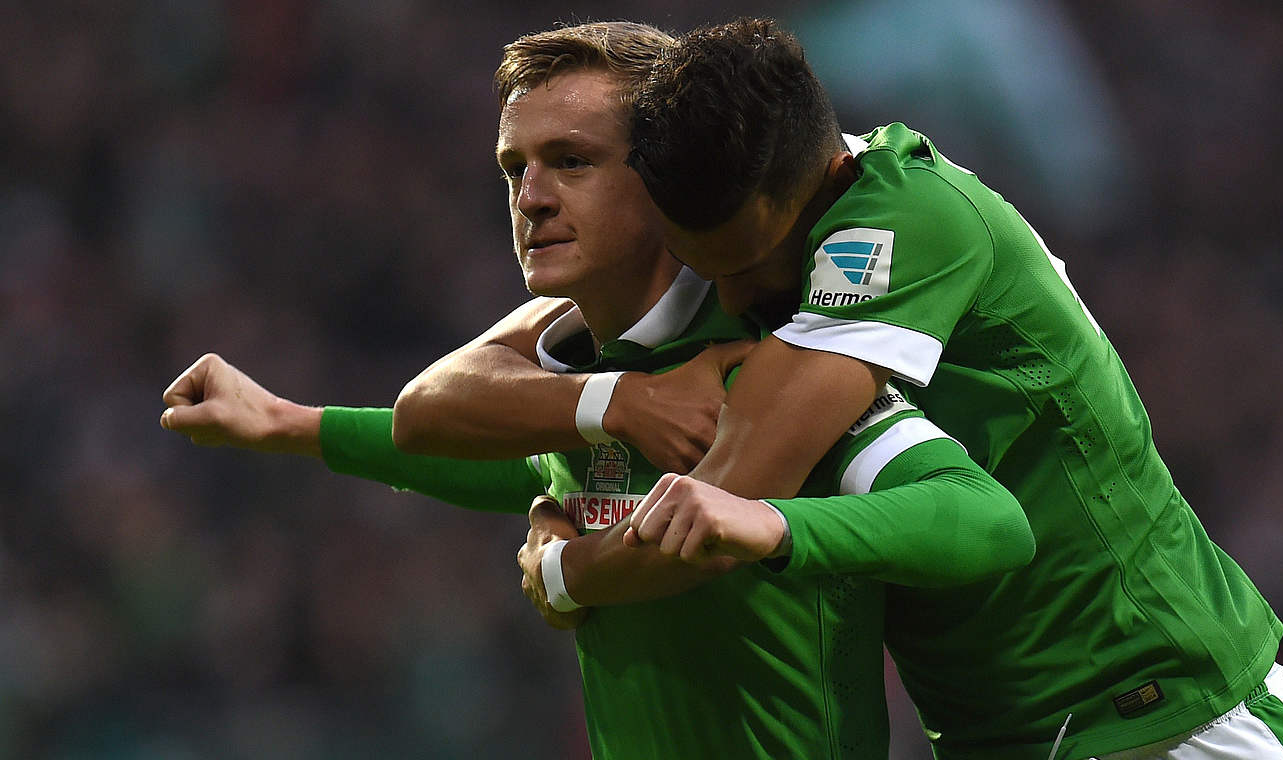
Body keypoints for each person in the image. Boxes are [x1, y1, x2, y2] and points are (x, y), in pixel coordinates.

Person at [160, 21, 1034, 759]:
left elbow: (986, 517)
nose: (531, 197)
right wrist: (291, 424)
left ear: (662, 174)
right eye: (515, 168)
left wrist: (765, 526)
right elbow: (517, 460)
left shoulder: (765, 368)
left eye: (571, 161)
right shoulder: (586, 371)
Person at [606, 16, 1283, 760]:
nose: (729, 301)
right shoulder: (796, 221)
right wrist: (597, 402)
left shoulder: (902, 220)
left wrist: (564, 567)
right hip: (1007, 736)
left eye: (749, 264)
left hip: (1169, 714)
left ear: (832, 182)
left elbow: (730, 502)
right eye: (702, 267)